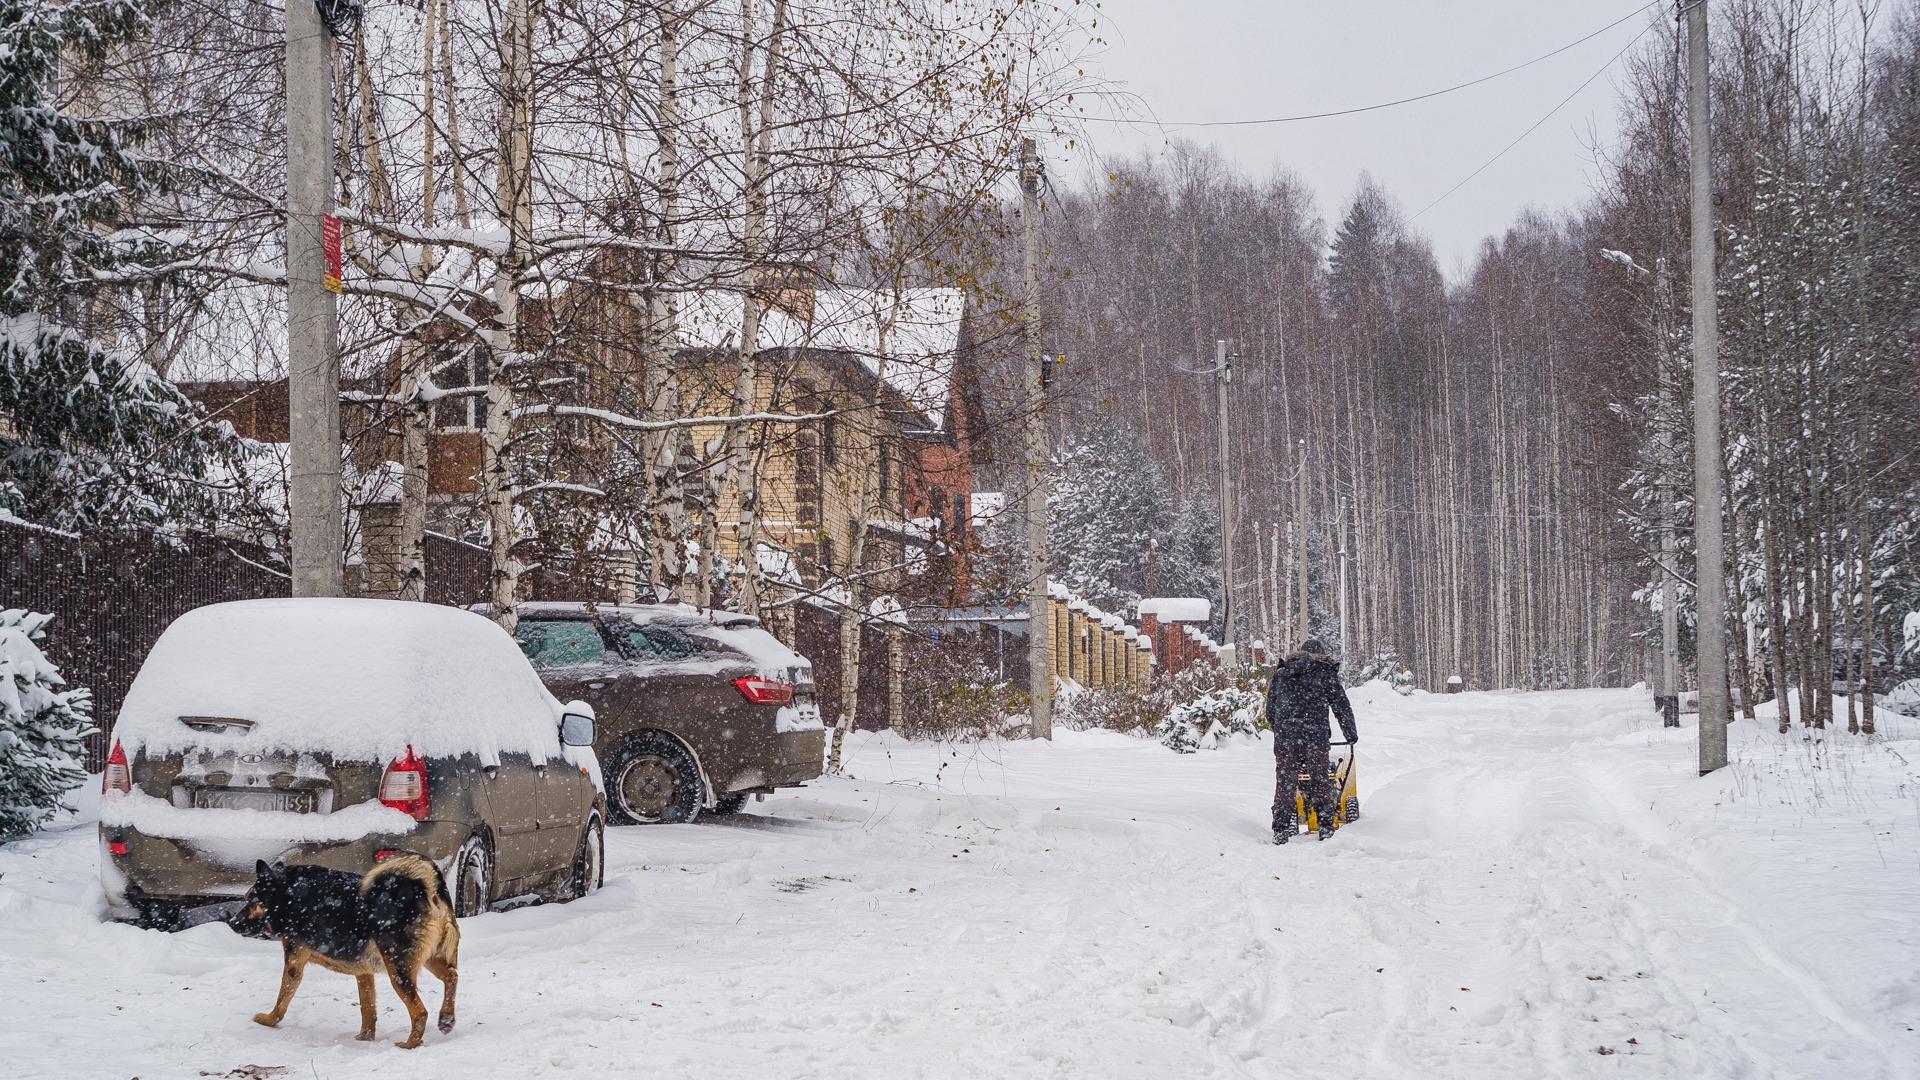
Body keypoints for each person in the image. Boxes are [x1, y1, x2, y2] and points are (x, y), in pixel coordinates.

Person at [1266, 637, 1357, 844]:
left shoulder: (1282, 674)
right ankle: (1325, 826)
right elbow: (1341, 706)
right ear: (1321, 653)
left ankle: (1281, 829)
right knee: (1319, 781)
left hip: (1286, 740)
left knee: (1285, 783)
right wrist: (1350, 733)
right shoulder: (1325, 673)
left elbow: (1270, 711)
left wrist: (1282, 729)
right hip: (1315, 738)